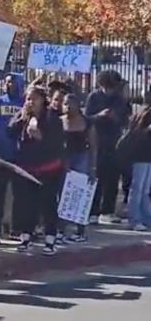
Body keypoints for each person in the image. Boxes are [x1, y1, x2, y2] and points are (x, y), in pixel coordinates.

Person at [8, 85, 65, 255]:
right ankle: (26, 237)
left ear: (42, 100)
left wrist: (40, 134)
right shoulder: (23, 114)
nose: (30, 102)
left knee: (47, 204)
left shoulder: (52, 117)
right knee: (27, 204)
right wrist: (22, 119)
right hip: (27, 168)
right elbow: (10, 131)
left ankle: (50, 239)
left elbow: (55, 142)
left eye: (33, 98)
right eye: (28, 98)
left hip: (48, 168)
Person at [85, 70, 131, 224]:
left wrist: (115, 117)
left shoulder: (120, 99)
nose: (111, 90)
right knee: (96, 178)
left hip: (114, 143)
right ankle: (93, 211)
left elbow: (126, 120)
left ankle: (108, 211)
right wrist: (99, 116)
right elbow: (86, 119)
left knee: (112, 178)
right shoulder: (94, 97)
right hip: (97, 142)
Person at [0, 73, 26, 242]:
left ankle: (16, 228)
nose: (8, 84)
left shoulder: (25, 103)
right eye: (7, 81)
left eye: (12, 82)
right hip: (0, 155)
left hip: (20, 156)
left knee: (20, 194)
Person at [62, 93, 97, 242]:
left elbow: (94, 146)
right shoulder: (59, 122)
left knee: (80, 192)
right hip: (64, 158)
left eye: (71, 104)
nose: (68, 107)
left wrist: (93, 167)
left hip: (82, 157)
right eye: (65, 104)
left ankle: (80, 230)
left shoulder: (87, 122)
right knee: (63, 194)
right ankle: (61, 230)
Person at [122, 103, 151, 231]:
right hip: (141, 155)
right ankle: (134, 219)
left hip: (146, 155)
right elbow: (140, 132)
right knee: (138, 188)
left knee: (144, 189)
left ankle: (145, 218)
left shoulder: (143, 111)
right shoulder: (146, 112)